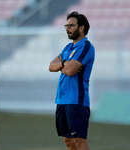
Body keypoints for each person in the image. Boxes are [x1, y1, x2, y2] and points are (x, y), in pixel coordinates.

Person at [49, 11, 95, 150]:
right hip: (62, 100)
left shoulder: (86, 47)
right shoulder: (68, 47)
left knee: (78, 141)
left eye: (71, 25)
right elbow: (51, 66)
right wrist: (66, 63)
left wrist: (62, 64)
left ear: (81, 28)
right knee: (68, 141)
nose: (67, 29)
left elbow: (70, 71)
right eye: (66, 25)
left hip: (76, 101)